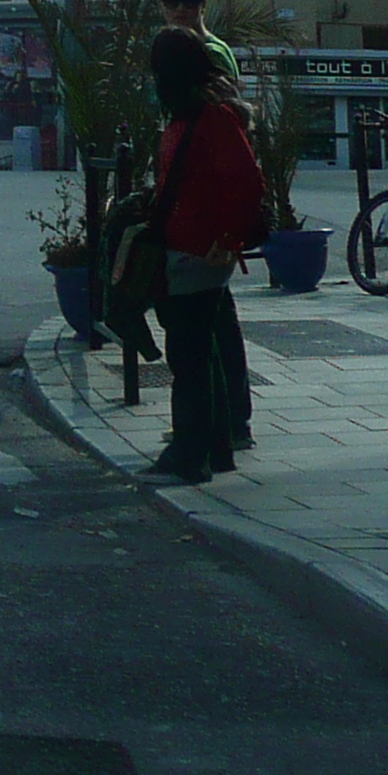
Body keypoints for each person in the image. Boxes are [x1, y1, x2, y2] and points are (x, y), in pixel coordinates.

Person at [144, 24, 266, 485]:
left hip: (199, 249)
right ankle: (214, 447)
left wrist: (228, 237)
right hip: (198, 247)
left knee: (189, 357)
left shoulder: (207, 117)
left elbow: (247, 182)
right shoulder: (195, 114)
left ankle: (190, 453)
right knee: (203, 352)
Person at [153, 0, 252, 452]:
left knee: (204, 336)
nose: (180, 8)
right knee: (211, 328)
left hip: (205, 218)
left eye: (189, 0)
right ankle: (222, 426)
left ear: (203, 3)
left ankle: (219, 427)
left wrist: (227, 233)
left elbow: (230, 149)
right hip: (201, 217)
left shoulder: (202, 57)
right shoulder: (186, 52)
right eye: (172, 0)